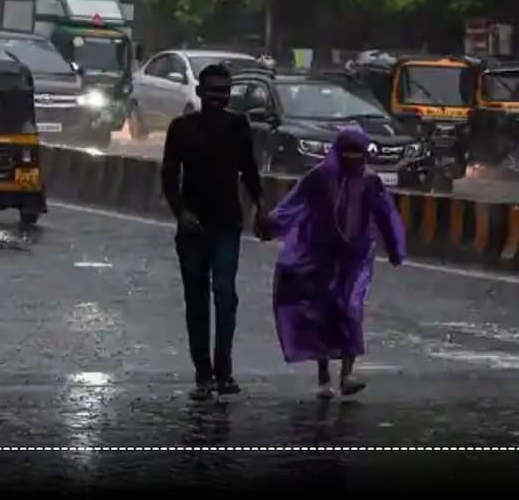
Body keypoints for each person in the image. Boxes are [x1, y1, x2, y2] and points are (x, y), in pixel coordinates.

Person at [258, 125, 406, 398]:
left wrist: (396, 248)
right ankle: (324, 376)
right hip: (320, 255)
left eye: (358, 154)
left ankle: (347, 374)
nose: (353, 160)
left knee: (351, 309)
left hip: (356, 257)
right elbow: (294, 203)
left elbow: (386, 214)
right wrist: (271, 226)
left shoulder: (371, 182)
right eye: (348, 153)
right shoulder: (320, 177)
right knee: (321, 312)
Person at [161, 63, 265, 401]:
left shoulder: (239, 127)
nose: (218, 98)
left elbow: (249, 170)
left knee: (224, 295)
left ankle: (224, 372)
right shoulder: (181, 128)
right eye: (213, 91)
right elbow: (168, 177)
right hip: (192, 229)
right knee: (196, 302)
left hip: (227, 225)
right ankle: (202, 376)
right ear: (201, 93)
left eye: (224, 91)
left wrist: (261, 207)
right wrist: (181, 213)